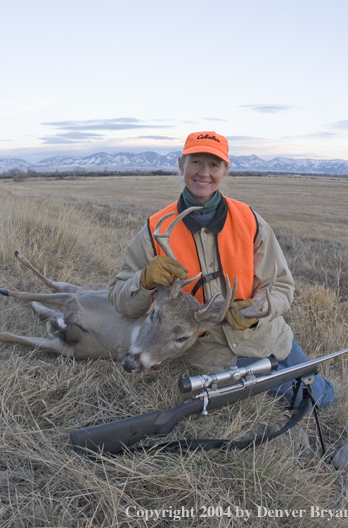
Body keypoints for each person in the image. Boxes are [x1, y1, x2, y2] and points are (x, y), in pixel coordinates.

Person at [108, 132, 334, 408]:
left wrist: (258, 309)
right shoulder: (155, 230)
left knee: (321, 392)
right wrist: (144, 280)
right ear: (181, 165)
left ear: (225, 170)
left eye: (214, 165)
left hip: (269, 333)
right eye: (196, 163)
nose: (204, 173)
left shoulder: (250, 221)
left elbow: (282, 286)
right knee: (304, 401)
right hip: (214, 351)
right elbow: (120, 299)